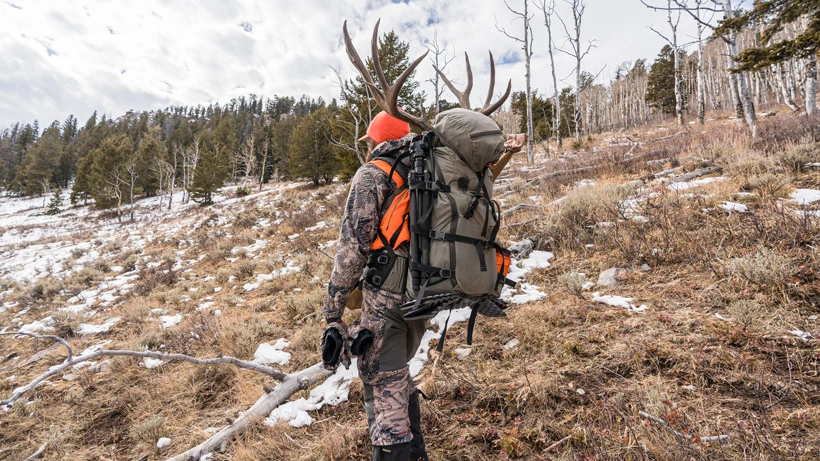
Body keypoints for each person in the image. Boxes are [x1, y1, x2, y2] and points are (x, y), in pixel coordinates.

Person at [322, 111, 526, 461]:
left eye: (369, 140)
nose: (368, 146)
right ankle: (416, 453)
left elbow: (351, 250)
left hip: (385, 295)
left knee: (381, 383)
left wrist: (332, 313)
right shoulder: (430, 165)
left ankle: (398, 452)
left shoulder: (374, 173)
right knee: (398, 373)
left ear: (376, 139)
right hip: (425, 291)